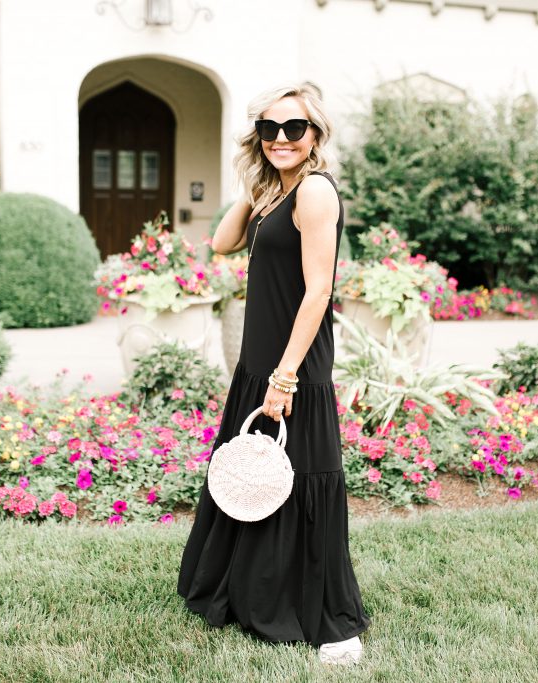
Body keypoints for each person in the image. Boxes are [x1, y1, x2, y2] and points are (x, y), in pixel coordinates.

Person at [177, 83, 371, 666]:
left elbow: (318, 292)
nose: (281, 138)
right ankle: (250, 593)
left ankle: (329, 622)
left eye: (294, 128)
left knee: (301, 475)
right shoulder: (275, 193)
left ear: (315, 135)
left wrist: (284, 377)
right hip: (260, 358)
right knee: (254, 475)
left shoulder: (314, 191)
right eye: (269, 128)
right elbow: (221, 243)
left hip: (293, 362)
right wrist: (254, 183)